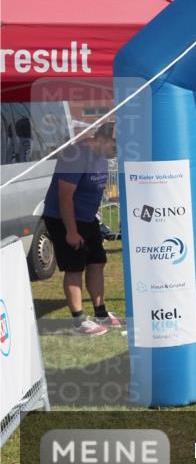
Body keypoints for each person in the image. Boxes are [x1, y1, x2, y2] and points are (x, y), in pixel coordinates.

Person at [41, 123, 123, 336]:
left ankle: (101, 313)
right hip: (63, 218)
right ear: (103, 139)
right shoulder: (76, 155)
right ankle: (79, 321)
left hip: (87, 218)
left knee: (97, 262)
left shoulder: (102, 156)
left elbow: (94, 189)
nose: (118, 149)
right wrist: (71, 231)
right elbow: (64, 196)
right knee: (74, 267)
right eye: (116, 144)